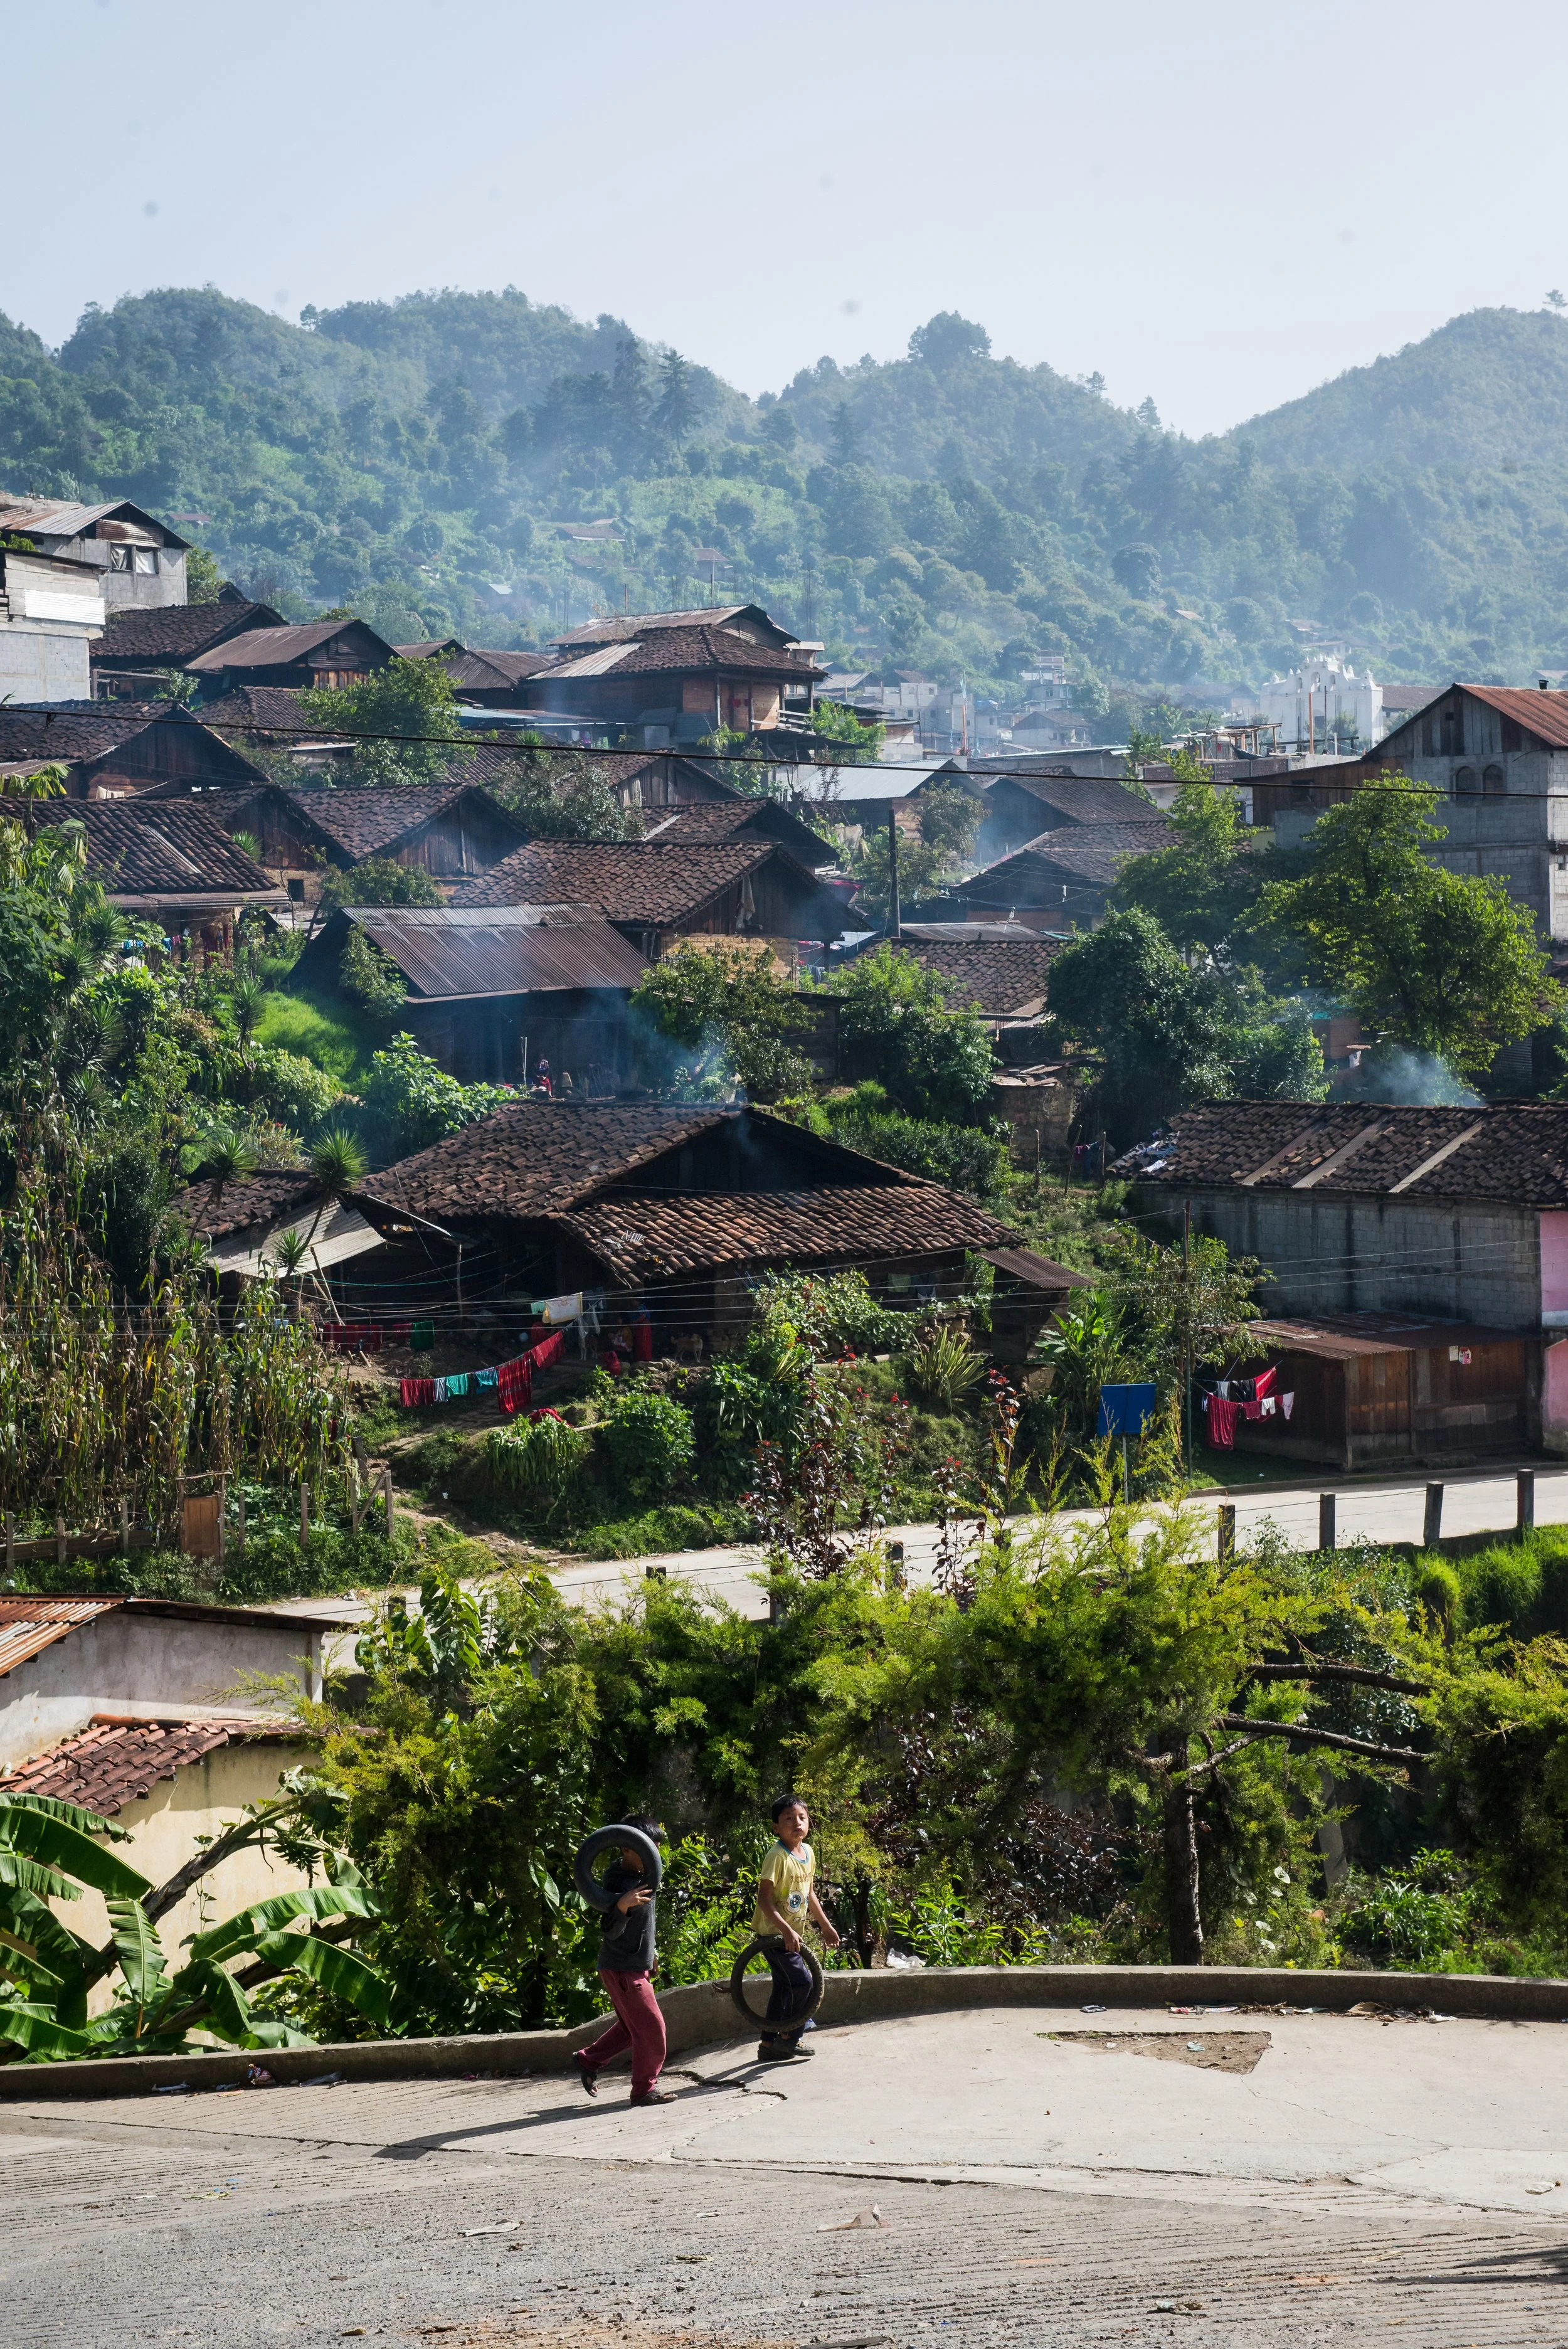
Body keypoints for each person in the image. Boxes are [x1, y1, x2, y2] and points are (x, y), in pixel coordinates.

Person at [573, 1816, 675, 2106]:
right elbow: (611, 1931)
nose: (654, 1854)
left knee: (633, 2028)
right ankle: (644, 2090)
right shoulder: (617, 1881)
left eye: (657, 1847)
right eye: (647, 1847)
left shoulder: (647, 1877)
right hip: (621, 1969)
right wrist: (621, 1906)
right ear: (627, 1848)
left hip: (637, 1965)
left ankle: (588, 2060)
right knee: (652, 2029)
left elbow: (646, 1924)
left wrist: (652, 1954)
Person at [753, 1793, 839, 2062]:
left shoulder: (808, 1853)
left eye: (802, 1817)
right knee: (804, 1982)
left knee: (783, 1988)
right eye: (789, 1819)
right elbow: (764, 1899)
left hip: (790, 1935)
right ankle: (789, 2038)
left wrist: (825, 1926)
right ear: (776, 1827)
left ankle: (768, 2045)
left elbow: (809, 1894)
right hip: (774, 1935)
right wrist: (785, 1930)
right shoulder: (777, 1856)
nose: (797, 1823)